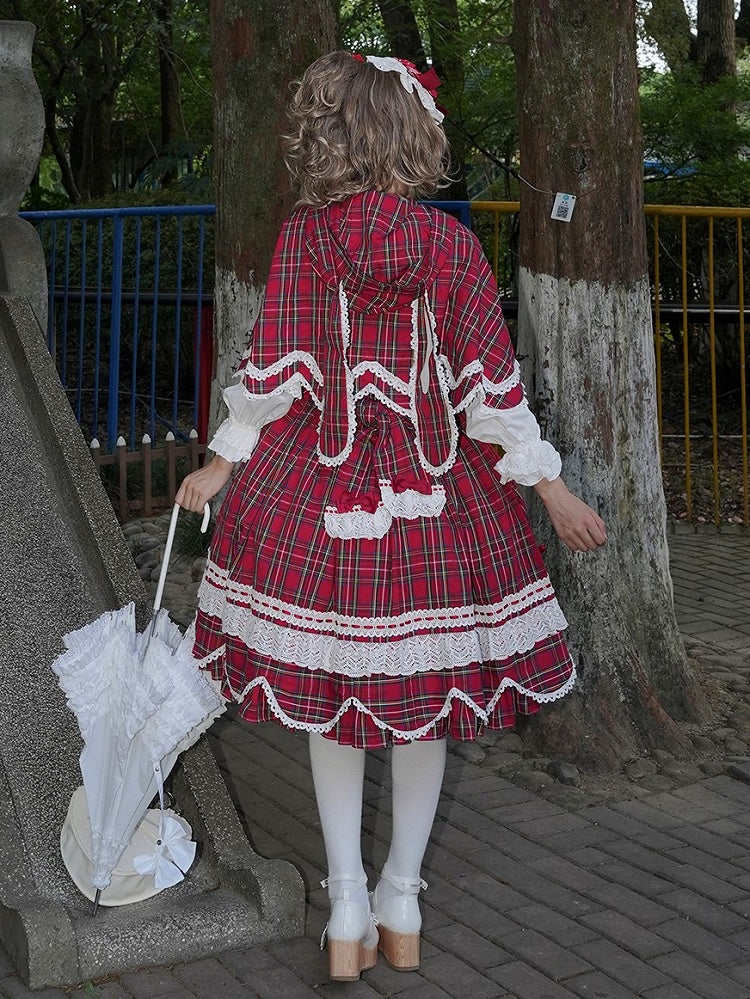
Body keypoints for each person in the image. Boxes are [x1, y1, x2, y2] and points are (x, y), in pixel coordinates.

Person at [176, 50, 606, 983]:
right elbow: (490, 390)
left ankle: (346, 903)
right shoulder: (449, 246)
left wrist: (218, 464)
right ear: (413, 133)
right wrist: (550, 488)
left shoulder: (306, 238)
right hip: (437, 496)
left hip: (318, 492)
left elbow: (273, 375)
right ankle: (402, 896)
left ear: (329, 131)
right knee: (423, 705)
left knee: (336, 701)